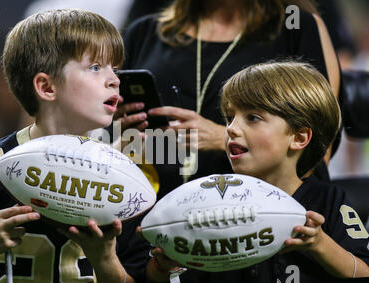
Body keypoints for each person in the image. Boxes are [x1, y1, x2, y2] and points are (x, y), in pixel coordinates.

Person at [0, 9, 167, 283]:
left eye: (115, 68)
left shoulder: (127, 177)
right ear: (47, 86)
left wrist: (104, 259)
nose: (115, 80)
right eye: (96, 67)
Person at [169, 61, 369, 283]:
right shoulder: (208, 206)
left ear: (299, 137)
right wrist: (166, 268)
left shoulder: (329, 201)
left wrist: (320, 244)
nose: (231, 129)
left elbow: (363, 277)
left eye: (252, 117)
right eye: (230, 117)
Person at [117, 0, 341, 200]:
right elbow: (110, 132)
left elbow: (317, 153)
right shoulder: (144, 31)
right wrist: (118, 127)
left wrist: (222, 138)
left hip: (249, 210)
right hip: (149, 206)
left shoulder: (296, 26)